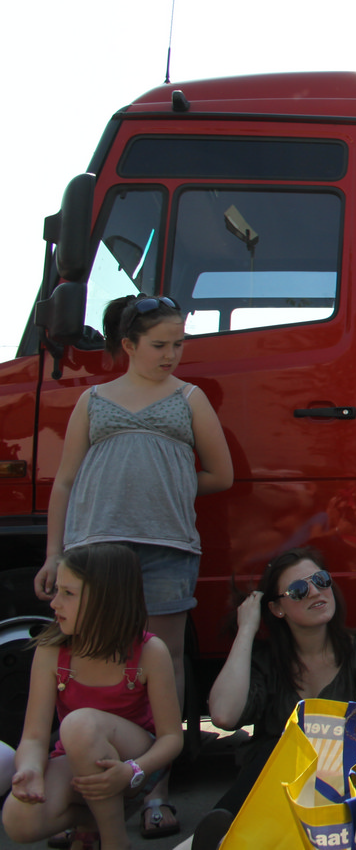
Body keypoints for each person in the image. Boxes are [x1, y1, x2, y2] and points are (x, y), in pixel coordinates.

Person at [35, 293, 233, 839]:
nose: (172, 355)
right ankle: (83, 789)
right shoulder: (93, 400)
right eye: (160, 345)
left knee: (162, 662)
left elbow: (221, 474)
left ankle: (155, 791)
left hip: (167, 546)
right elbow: (65, 482)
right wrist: (54, 553)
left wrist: (163, 487)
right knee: (90, 660)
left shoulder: (189, 398)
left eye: (179, 345)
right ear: (128, 345)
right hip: (93, 552)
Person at [3, 544, 183, 850]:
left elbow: (171, 738)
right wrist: (30, 768)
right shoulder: (51, 651)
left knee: (79, 724)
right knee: (18, 820)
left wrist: (132, 771)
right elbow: (33, 737)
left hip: (135, 765)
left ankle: (115, 841)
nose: (54, 603)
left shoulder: (149, 652)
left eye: (68, 593)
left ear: (106, 600)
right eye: (57, 591)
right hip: (76, 762)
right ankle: (89, 820)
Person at [197, 547, 356, 837]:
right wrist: (246, 630)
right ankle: (222, 832)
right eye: (298, 590)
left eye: (321, 580)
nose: (315, 592)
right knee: (277, 747)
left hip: (344, 788)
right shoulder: (267, 662)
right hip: (277, 793)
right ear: (276, 608)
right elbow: (223, 715)